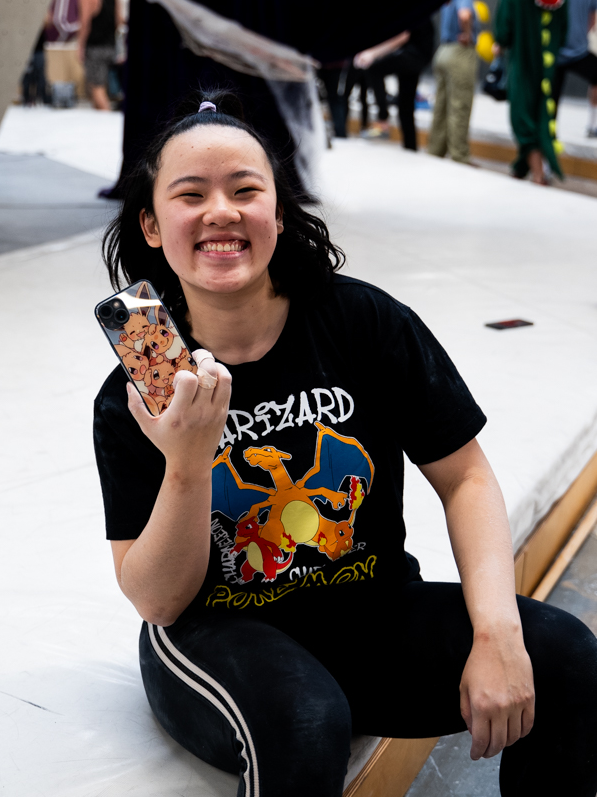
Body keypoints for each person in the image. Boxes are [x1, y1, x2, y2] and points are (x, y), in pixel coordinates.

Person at [92, 89, 597, 797]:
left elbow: (466, 478)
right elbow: (158, 601)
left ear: (277, 211)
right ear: (151, 224)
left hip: (368, 610)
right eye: (190, 194)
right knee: (305, 720)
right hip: (217, 637)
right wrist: (185, 463)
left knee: (565, 654)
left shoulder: (362, 323)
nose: (220, 211)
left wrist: (496, 633)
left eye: (245, 190)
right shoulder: (138, 394)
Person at [494, 0, 568, 184]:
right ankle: (520, 168)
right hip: (549, 69)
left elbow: (503, 35)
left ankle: (538, 174)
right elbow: (564, 33)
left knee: (522, 119)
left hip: (522, 67)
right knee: (540, 116)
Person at [354, 20, 434, 150]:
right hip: (418, 56)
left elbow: (402, 36)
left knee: (374, 70)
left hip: (412, 54)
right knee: (405, 105)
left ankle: (383, 120)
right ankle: (410, 146)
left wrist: (373, 53)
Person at [551, 0, 597, 136]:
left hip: (553, 52)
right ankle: (593, 124)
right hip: (579, 50)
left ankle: (548, 137)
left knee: (551, 98)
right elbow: (592, 20)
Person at [428, 0, 478, 163]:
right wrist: (468, 33)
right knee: (459, 106)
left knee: (441, 107)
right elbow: (464, 15)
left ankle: (435, 150)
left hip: (443, 51)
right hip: (460, 52)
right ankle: (459, 155)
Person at [77, 0, 121, 111]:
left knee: (97, 89)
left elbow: (85, 23)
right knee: (100, 88)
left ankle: (107, 121)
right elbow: (118, 20)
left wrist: (80, 47)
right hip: (110, 46)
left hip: (95, 47)